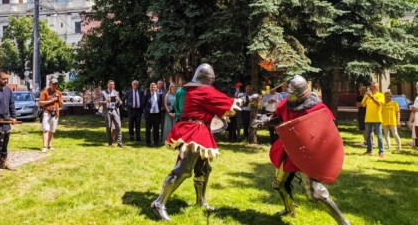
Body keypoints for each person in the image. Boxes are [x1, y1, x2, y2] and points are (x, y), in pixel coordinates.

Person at [252, 75, 349, 225]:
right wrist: (265, 121)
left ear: (301, 93)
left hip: (307, 154)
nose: (288, 96)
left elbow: (326, 132)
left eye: (291, 93)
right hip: (289, 150)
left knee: (314, 194)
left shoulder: (318, 108)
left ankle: (343, 222)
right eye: (288, 93)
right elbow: (278, 118)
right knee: (279, 185)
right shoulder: (286, 103)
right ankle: (289, 210)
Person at [150, 64, 243, 221]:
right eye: (211, 80)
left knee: (204, 169)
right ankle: (159, 203)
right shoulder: (204, 90)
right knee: (183, 169)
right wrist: (247, 98)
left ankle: (200, 201)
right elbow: (228, 103)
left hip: (197, 130)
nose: (212, 83)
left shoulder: (190, 89)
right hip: (193, 132)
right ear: (207, 79)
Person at [38, 77, 64, 152]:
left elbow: (61, 103)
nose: (54, 86)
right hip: (47, 112)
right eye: (53, 84)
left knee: (52, 130)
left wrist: (58, 99)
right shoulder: (44, 92)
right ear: (50, 84)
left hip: (55, 113)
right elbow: (40, 102)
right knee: (46, 129)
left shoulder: (58, 92)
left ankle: (50, 146)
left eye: (56, 84)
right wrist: (51, 101)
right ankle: (44, 147)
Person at [361, 82, 385, 158]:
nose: (373, 87)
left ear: (378, 87)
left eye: (375, 86)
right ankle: (369, 150)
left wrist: (372, 97)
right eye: (372, 86)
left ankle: (381, 152)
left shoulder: (380, 95)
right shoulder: (367, 95)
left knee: (379, 136)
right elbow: (363, 104)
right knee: (368, 136)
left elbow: (379, 104)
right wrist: (366, 97)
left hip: (377, 118)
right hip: (368, 118)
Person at [100, 80, 124, 148]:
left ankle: (120, 143)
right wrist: (105, 101)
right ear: (107, 85)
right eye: (110, 84)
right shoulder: (103, 92)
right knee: (109, 127)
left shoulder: (116, 92)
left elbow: (121, 103)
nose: (111, 86)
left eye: (112, 84)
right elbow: (100, 102)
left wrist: (118, 100)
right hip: (108, 111)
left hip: (115, 110)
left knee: (118, 126)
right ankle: (110, 143)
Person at [142, 82, 164, 147]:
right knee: (148, 129)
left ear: (156, 88)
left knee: (156, 130)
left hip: (156, 115)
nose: (153, 88)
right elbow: (143, 105)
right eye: (151, 87)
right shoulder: (146, 95)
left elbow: (160, 104)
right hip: (149, 115)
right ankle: (148, 143)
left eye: (154, 87)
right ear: (149, 88)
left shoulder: (159, 95)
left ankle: (156, 142)